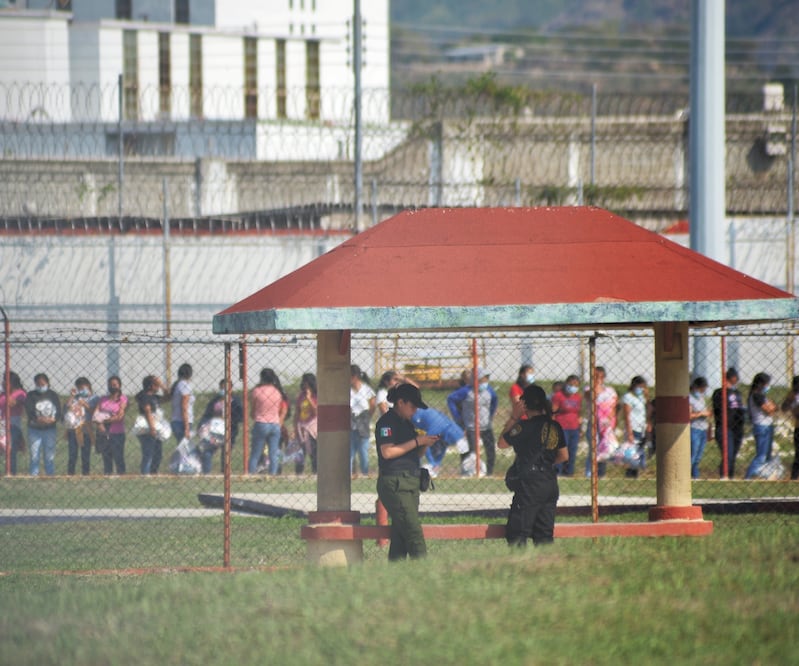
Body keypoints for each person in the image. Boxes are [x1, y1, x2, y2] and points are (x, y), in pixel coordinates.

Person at [375, 382, 439, 561]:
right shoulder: (386, 422)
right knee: (412, 530)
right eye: (412, 406)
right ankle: (423, 573)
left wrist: (425, 443)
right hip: (395, 483)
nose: (415, 411)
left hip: (410, 482)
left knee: (400, 535)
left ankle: (397, 575)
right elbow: (387, 452)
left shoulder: (407, 424)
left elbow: (413, 454)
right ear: (400, 402)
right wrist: (418, 441)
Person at [498, 383, 568, 547]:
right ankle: (544, 566)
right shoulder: (554, 426)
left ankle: (520, 566)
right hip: (550, 482)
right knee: (544, 534)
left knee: (518, 532)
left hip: (530, 485)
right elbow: (564, 456)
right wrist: (545, 463)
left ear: (524, 405)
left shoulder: (523, 426)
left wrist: (515, 417)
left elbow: (502, 443)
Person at [447, 367, 498, 475]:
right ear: (476, 379)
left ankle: (489, 473)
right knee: (469, 451)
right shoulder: (466, 391)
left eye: (486, 379)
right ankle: (466, 472)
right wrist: (458, 418)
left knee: (490, 451)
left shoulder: (489, 390)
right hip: (471, 427)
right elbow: (451, 399)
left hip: (486, 426)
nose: (485, 382)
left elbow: (494, 400)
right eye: (483, 379)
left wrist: (491, 415)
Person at [198, 380, 244, 474]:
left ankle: (225, 472)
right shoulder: (215, 401)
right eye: (222, 388)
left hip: (230, 431)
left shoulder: (235, 401)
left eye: (226, 388)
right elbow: (207, 414)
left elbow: (241, 416)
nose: (223, 390)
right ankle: (206, 472)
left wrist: (230, 420)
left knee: (226, 452)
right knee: (208, 450)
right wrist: (202, 425)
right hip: (214, 432)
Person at [410, 406, 469, 477]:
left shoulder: (447, 428)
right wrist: (432, 462)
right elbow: (425, 445)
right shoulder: (437, 426)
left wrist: (437, 463)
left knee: (439, 446)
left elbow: (443, 447)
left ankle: (431, 467)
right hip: (422, 421)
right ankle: (416, 466)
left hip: (437, 426)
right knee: (423, 443)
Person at [250, 367, 288, 475]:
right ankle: (273, 474)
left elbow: (252, 412)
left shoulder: (257, 391)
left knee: (256, 453)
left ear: (261, 377)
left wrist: (256, 415)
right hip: (275, 424)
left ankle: (251, 474)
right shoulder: (277, 392)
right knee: (273, 453)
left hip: (261, 422)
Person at [712, 367, 747, 478]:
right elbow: (718, 410)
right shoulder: (719, 393)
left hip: (737, 428)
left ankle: (730, 476)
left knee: (733, 454)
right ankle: (724, 476)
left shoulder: (737, 393)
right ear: (731, 377)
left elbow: (740, 407)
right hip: (724, 427)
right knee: (728, 454)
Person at [25, 373, 62, 476]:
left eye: (43, 383)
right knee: (34, 453)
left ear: (47, 383)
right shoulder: (31, 395)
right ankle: (34, 473)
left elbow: (58, 410)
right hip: (34, 429)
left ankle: (50, 473)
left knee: (49, 453)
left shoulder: (52, 395)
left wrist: (52, 419)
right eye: (38, 384)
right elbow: (29, 410)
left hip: (50, 429)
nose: (41, 386)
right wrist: (38, 419)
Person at [584, 366, 617, 478]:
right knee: (593, 448)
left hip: (605, 425)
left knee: (604, 449)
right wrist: (596, 385)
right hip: (593, 423)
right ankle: (590, 472)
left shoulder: (610, 391)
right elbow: (592, 396)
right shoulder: (588, 389)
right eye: (596, 376)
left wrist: (608, 420)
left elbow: (613, 407)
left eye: (601, 376)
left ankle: (601, 473)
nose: (599, 378)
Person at [744, 372, 777, 479]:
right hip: (761, 426)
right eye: (766, 383)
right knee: (761, 456)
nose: (767, 386)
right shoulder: (756, 395)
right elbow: (769, 410)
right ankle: (748, 477)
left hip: (767, 425)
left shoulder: (762, 396)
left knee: (767, 455)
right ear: (761, 383)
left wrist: (772, 407)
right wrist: (771, 407)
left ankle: (763, 475)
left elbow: (774, 408)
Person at [93, 375, 128, 475]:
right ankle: (108, 475)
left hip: (117, 433)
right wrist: (99, 423)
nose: (112, 387)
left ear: (119, 386)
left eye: (115, 385)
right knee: (106, 456)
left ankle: (121, 475)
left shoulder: (122, 399)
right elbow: (95, 414)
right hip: (103, 433)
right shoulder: (103, 399)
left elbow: (120, 416)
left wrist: (103, 420)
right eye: (110, 385)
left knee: (118, 456)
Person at [64, 377, 98, 476]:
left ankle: (85, 473)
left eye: (83, 387)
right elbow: (67, 407)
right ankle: (71, 473)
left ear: (89, 386)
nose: (81, 390)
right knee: (72, 454)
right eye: (79, 388)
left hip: (86, 429)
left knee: (85, 455)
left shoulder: (95, 398)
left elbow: (94, 413)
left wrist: (85, 404)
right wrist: (72, 396)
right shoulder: (76, 397)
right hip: (73, 429)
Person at [136, 375, 168, 474]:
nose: (158, 387)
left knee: (158, 454)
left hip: (156, 427)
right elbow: (147, 411)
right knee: (148, 453)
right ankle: (145, 474)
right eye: (156, 384)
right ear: (150, 386)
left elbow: (168, 397)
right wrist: (152, 428)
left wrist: (162, 385)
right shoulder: (144, 396)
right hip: (147, 427)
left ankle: (153, 472)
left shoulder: (154, 397)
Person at [551, 374, 582, 476]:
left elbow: (579, 413)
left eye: (576, 385)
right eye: (571, 384)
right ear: (566, 384)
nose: (573, 387)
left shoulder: (578, 397)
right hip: (562, 427)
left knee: (572, 451)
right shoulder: (559, 396)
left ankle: (569, 472)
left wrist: (580, 428)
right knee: (561, 451)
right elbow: (552, 412)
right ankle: (557, 472)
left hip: (574, 428)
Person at [620, 375, 649, 478]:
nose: (641, 389)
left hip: (641, 428)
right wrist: (629, 432)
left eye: (643, 387)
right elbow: (627, 416)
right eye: (639, 386)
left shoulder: (642, 398)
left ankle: (635, 474)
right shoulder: (628, 397)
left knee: (639, 452)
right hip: (632, 428)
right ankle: (629, 474)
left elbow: (647, 410)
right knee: (631, 453)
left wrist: (646, 396)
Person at [350, 364, 376, 478]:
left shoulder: (366, 389)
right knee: (350, 451)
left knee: (363, 450)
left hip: (363, 421)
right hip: (350, 421)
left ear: (354, 376)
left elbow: (372, 405)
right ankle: (350, 473)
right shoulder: (348, 390)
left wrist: (367, 417)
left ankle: (365, 472)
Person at [0, 371, 27, 475]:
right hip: (1, 424)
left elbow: (20, 402)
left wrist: (14, 401)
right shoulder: (2, 394)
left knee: (11, 449)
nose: (2, 383)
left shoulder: (20, 393)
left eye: (5, 381)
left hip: (13, 424)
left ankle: (11, 472)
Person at [292, 373, 318, 474]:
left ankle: (315, 472)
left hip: (313, 428)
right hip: (301, 427)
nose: (304, 384)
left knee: (314, 452)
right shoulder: (300, 396)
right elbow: (297, 413)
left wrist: (309, 398)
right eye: (303, 382)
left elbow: (316, 412)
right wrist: (295, 428)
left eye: (306, 382)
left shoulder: (316, 395)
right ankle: (298, 473)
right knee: (300, 453)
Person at [689, 376, 711, 479]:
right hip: (694, 428)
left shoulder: (701, 398)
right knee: (692, 454)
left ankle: (695, 475)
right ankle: (688, 474)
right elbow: (688, 415)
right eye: (702, 388)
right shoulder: (690, 398)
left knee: (698, 456)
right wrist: (701, 414)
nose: (703, 391)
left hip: (703, 429)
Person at [170, 363, 195, 444]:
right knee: (185, 451)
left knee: (183, 449)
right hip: (182, 422)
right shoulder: (184, 385)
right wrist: (186, 427)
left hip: (176, 421)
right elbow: (184, 407)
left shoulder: (177, 384)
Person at [781, 375, 799, 480]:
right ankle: (794, 477)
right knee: (798, 455)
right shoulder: (792, 395)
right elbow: (784, 408)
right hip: (798, 427)